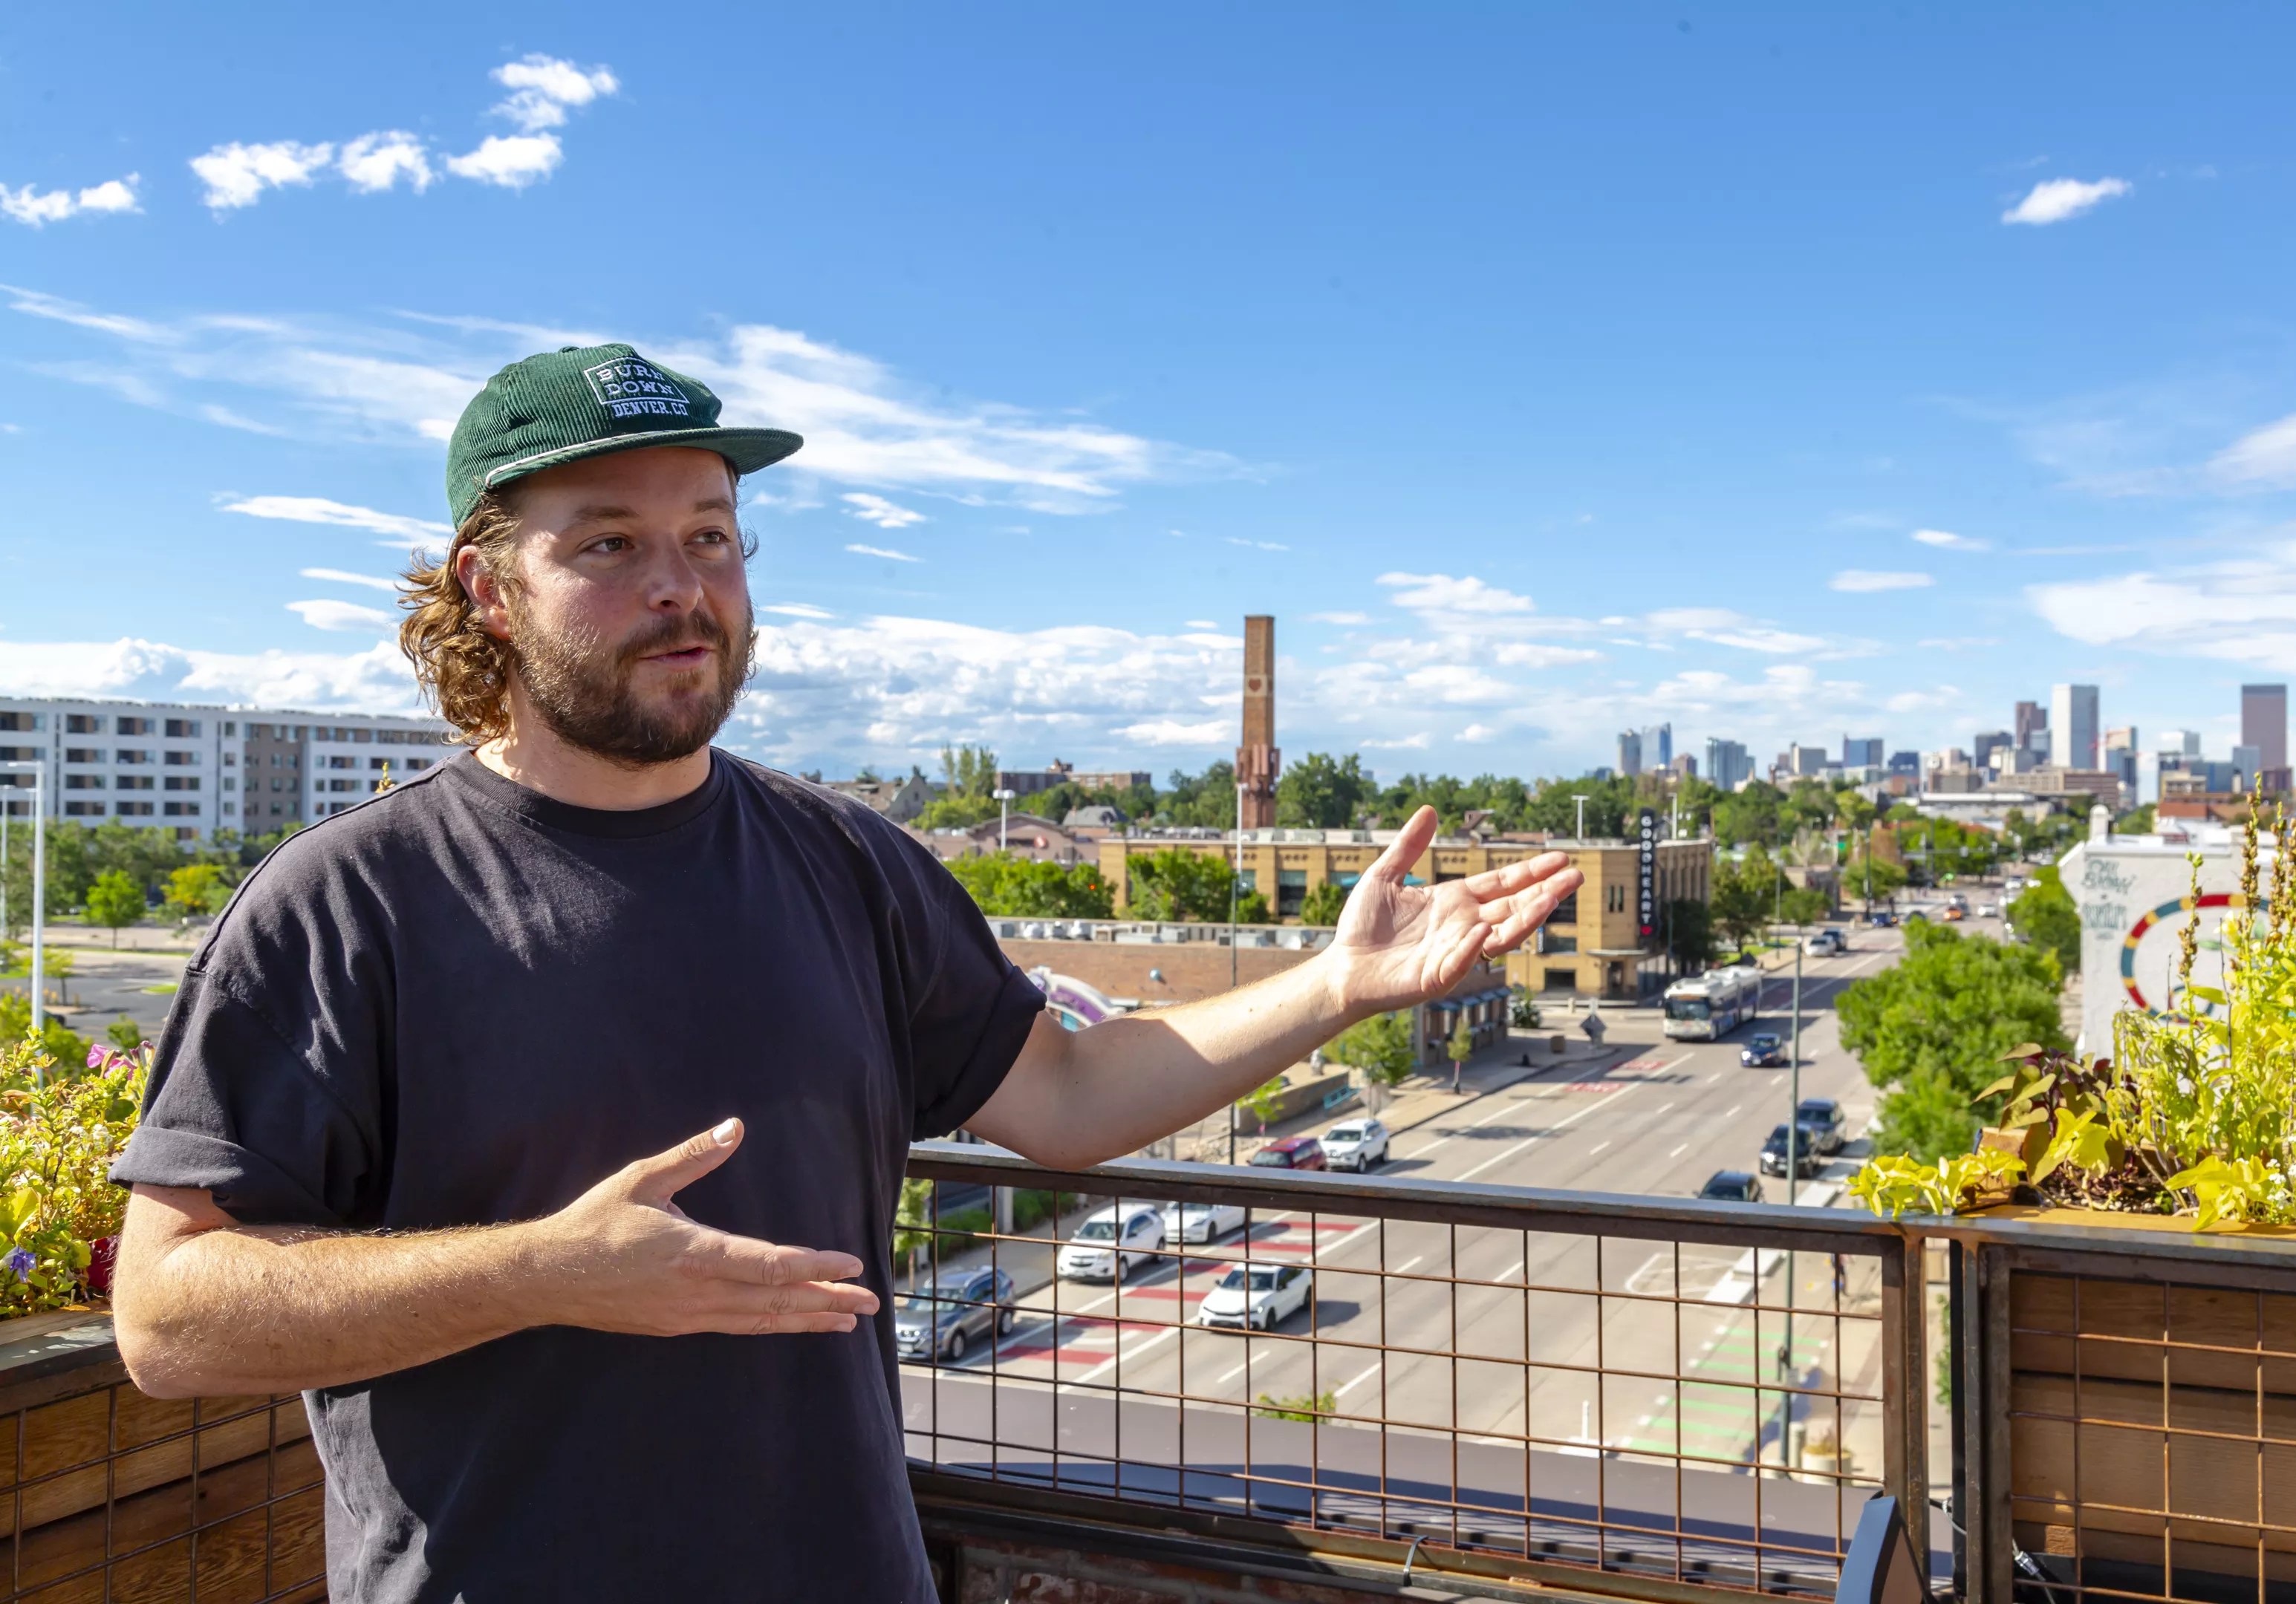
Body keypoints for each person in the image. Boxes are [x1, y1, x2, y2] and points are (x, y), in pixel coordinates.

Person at [105, 344, 1581, 1603]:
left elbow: (1060, 1097)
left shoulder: (847, 861)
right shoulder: (351, 902)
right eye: (609, 544)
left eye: (712, 535)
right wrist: (543, 1270)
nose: (681, 588)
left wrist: (1340, 984)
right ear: (489, 593)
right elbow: (168, 1319)